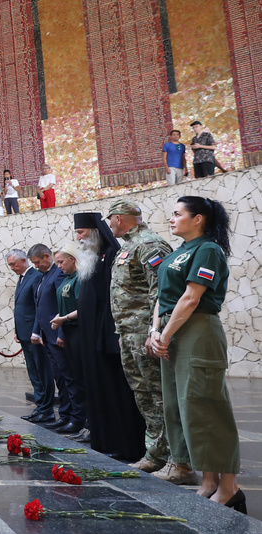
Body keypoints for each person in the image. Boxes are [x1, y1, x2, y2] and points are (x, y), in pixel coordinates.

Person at [149, 196, 244, 513]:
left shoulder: (208, 250)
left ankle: (229, 487)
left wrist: (165, 333)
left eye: (178, 214)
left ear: (198, 219)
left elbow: (191, 298)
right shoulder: (178, 252)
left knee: (207, 405)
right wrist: (155, 331)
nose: (171, 219)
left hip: (198, 331)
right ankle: (208, 482)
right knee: (183, 407)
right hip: (173, 333)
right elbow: (163, 298)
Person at [107, 200, 175, 475]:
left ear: (120, 218)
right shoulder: (128, 245)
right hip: (127, 333)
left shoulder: (149, 244)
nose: (109, 224)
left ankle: (176, 457)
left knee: (159, 394)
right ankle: (155, 453)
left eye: (110, 218)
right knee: (144, 395)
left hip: (144, 334)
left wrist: (154, 331)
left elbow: (161, 290)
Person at [73, 212, 146, 462]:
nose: (78, 238)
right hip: (91, 337)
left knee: (116, 392)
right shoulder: (93, 258)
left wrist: (108, 335)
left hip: (107, 338)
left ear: (95, 232)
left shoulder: (113, 255)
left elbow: (114, 300)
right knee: (98, 390)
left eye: (81, 233)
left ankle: (124, 445)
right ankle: (103, 441)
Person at [29, 243, 82, 433]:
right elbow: (40, 308)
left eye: (37, 262)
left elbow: (64, 304)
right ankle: (65, 415)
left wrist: (61, 332)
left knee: (68, 378)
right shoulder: (45, 276)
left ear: (46, 256)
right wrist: (38, 332)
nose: (36, 266)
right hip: (48, 335)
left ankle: (75, 418)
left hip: (58, 335)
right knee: (59, 378)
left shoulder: (58, 274)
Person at [6, 249, 51, 422]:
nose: (12, 268)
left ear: (24, 260)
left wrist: (35, 331)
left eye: (13, 264)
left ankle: (46, 409)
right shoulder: (22, 278)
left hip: (34, 335)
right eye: (10, 265)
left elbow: (38, 307)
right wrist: (18, 330)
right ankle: (40, 408)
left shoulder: (35, 276)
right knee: (33, 372)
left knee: (42, 371)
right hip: (24, 334)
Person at [50, 242, 87, 438]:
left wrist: (63, 319)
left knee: (81, 379)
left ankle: (83, 421)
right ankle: (77, 418)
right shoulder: (67, 278)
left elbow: (83, 306)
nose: (59, 266)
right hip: (69, 332)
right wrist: (61, 318)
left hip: (79, 332)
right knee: (73, 378)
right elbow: (66, 304)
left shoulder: (80, 279)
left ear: (73, 259)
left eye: (61, 262)